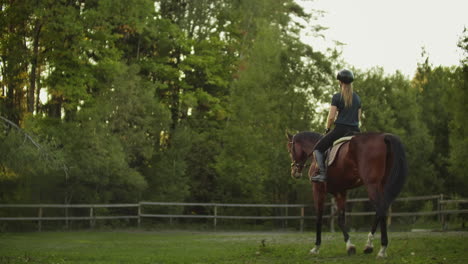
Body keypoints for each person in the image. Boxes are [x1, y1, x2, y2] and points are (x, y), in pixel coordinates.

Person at [310, 69, 362, 182]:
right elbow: (358, 118)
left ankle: (322, 174)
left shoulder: (337, 97)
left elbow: (331, 117)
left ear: (340, 82)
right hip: (355, 131)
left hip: (340, 130)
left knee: (317, 149)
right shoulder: (357, 98)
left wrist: (327, 128)